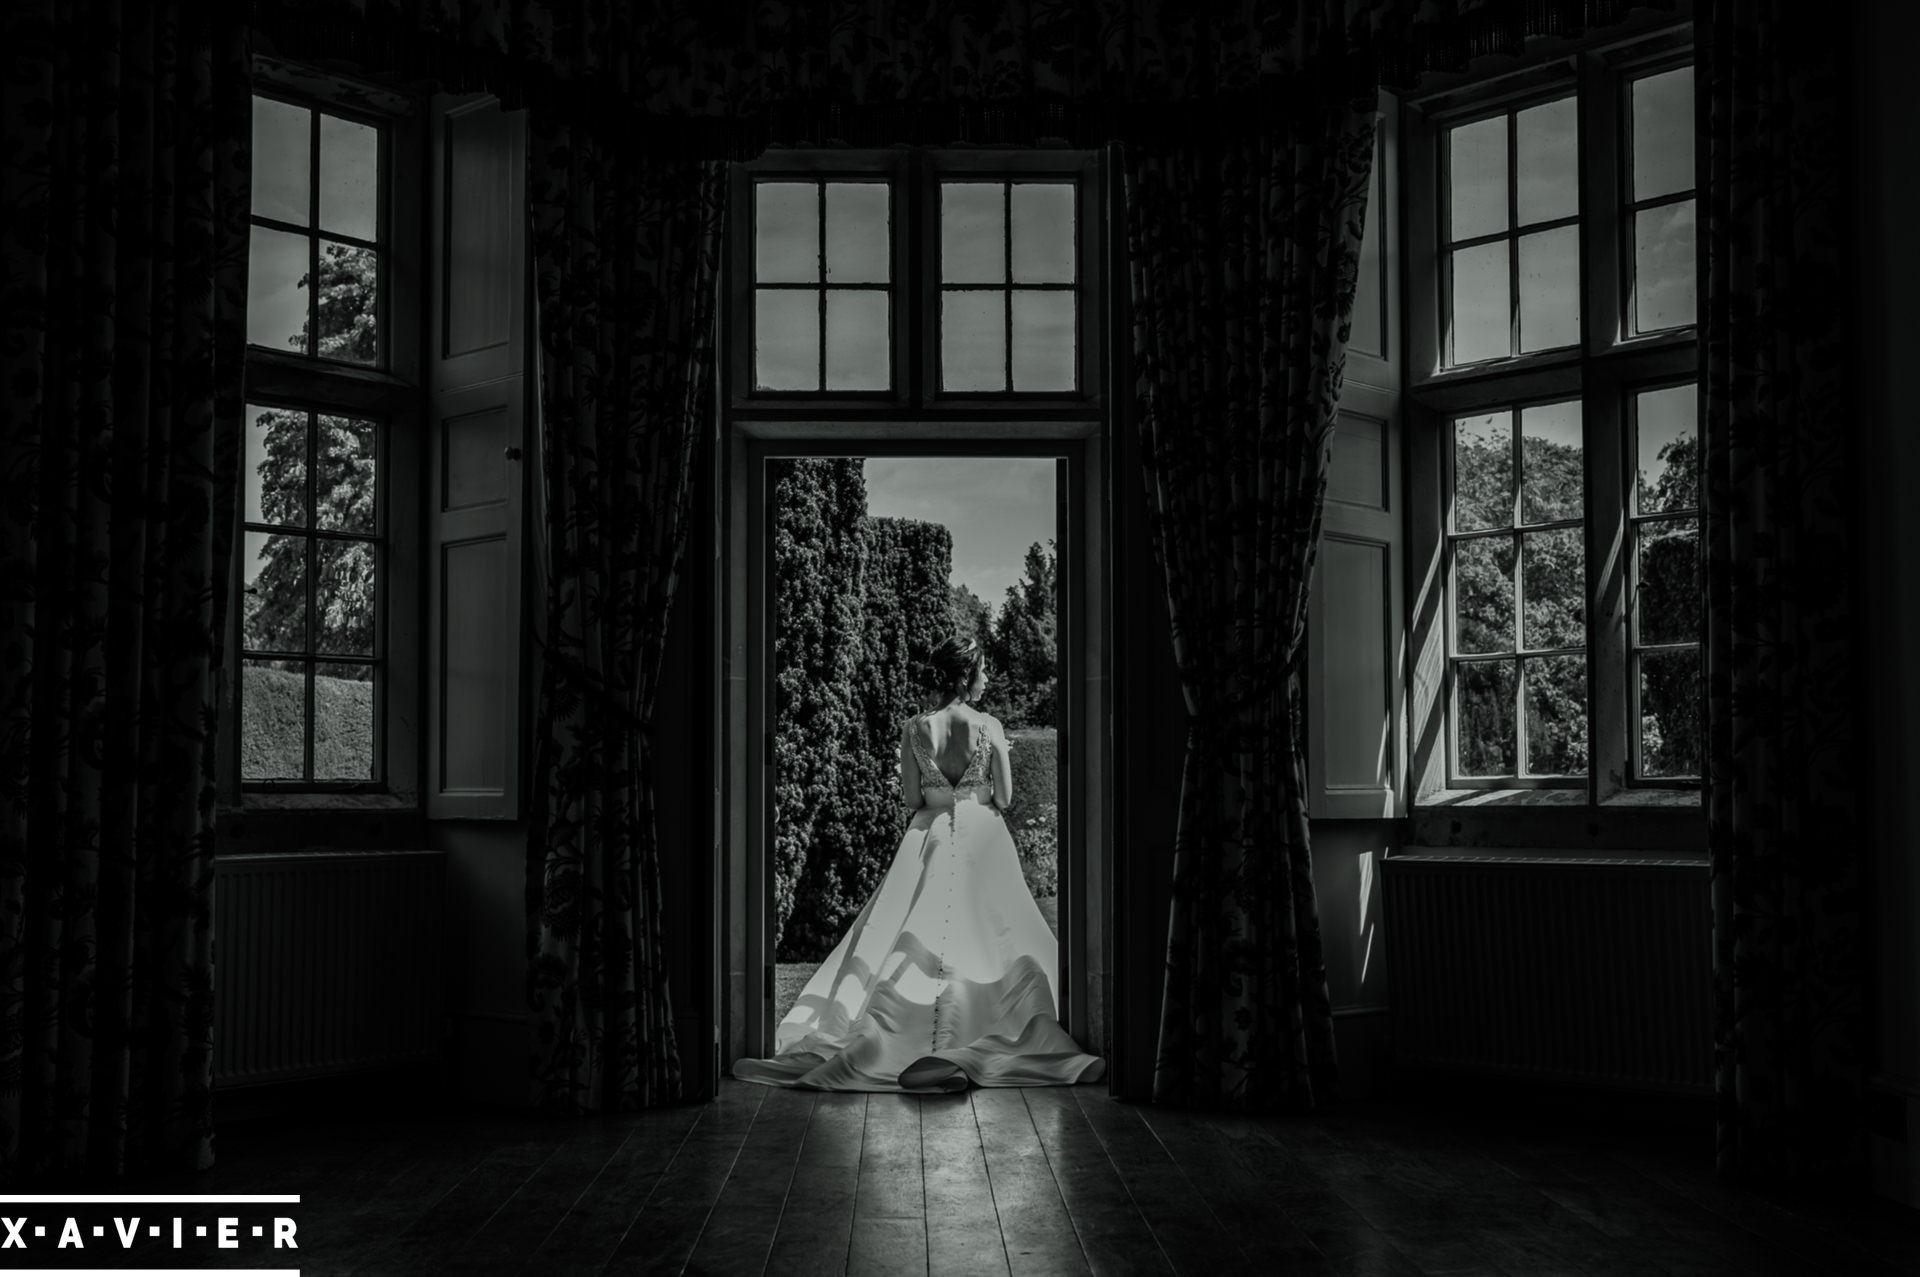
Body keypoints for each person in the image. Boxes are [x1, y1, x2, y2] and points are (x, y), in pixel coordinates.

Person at [731, 633, 1105, 1092]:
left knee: (904, 926)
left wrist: (939, 793)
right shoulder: (988, 725)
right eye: (983, 669)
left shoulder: (914, 728)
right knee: (993, 936)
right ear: (967, 674)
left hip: (926, 835)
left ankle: (890, 1038)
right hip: (983, 837)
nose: (987, 678)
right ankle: (984, 1032)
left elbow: (912, 797)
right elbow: (1004, 798)